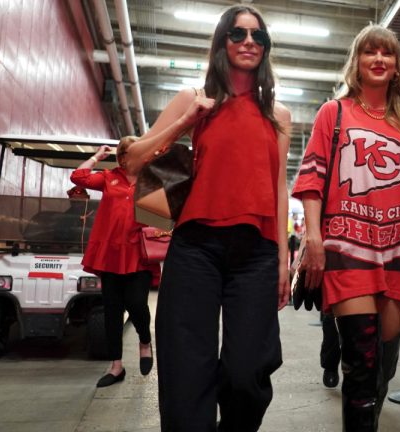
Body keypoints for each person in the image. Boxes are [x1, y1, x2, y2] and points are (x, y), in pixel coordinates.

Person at [125, 5, 291, 430]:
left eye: (259, 36)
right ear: (222, 42)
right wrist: (186, 121)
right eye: (238, 33)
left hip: (256, 253)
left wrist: (284, 262)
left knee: (247, 371)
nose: (249, 41)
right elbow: (132, 161)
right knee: (185, 370)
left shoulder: (279, 116)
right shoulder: (193, 100)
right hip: (195, 247)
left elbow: (277, 186)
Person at [291, 24, 400, 431]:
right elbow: (312, 179)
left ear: (396, 67)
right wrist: (313, 238)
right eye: (370, 53)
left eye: (387, 54)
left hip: (397, 251)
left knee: (384, 363)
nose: (379, 59)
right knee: (360, 362)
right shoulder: (336, 112)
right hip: (347, 248)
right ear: (357, 64)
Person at [70, 136, 159, 387]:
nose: (140, 156)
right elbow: (78, 177)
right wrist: (98, 157)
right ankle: (116, 366)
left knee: (137, 303)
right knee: (112, 311)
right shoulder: (109, 177)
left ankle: (144, 340)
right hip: (110, 255)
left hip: (139, 254)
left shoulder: (151, 179)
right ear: (123, 157)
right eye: (134, 152)